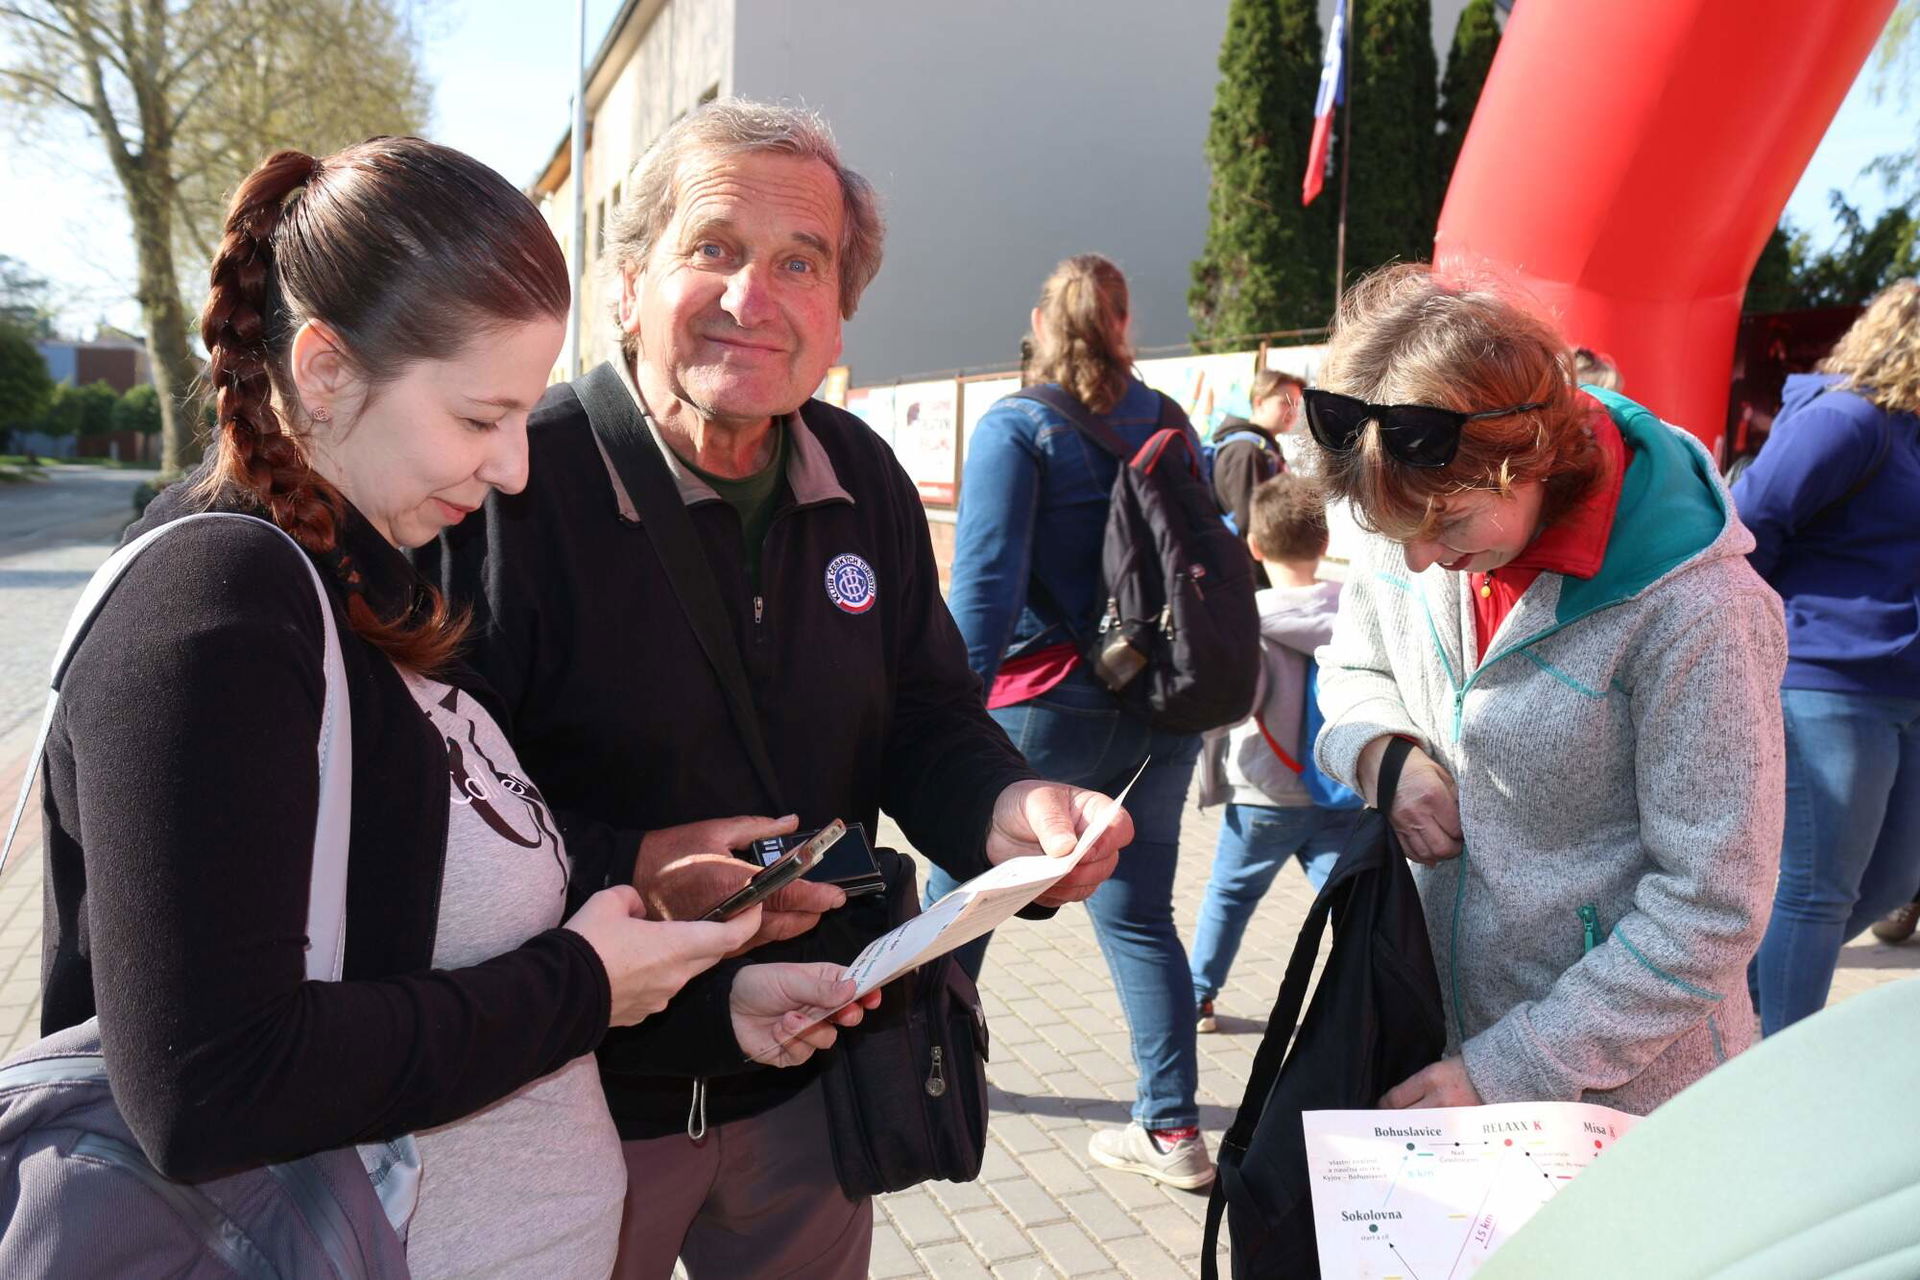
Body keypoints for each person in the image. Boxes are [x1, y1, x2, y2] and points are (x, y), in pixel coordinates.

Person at [35, 138, 866, 1280]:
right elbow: (210, 1083)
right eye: (482, 419)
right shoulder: (214, 609)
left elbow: (433, 952)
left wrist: (702, 999)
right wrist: (583, 987)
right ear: (325, 371)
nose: (516, 467)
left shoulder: (362, 574)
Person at [424, 102, 1134, 1279]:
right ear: (629, 283)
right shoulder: (509, 485)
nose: (753, 297)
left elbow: (925, 718)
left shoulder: (863, 476)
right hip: (566, 1098)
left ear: (840, 310)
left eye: (801, 262)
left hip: (809, 1077)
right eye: (714, 247)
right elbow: (438, 820)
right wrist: (635, 865)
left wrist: (1010, 810)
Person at [1308, 263, 1785, 1116]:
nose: (1417, 558)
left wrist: (1509, 1070)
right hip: (1432, 1028)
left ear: (1528, 460)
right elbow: (1353, 667)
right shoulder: (1410, 479)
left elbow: (1711, 907)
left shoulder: (1698, 609)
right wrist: (1384, 757)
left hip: (1627, 1098)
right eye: (1390, 530)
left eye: (1447, 523)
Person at [944, 252, 1214, 1190]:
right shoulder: (1170, 419)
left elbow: (984, 585)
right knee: (1140, 920)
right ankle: (1172, 1130)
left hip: (1048, 704)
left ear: (1039, 324)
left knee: (959, 905)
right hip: (1163, 707)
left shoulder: (1019, 426)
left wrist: (947, 721)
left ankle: (915, 1081)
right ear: (1124, 323)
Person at [1731, 279, 1920, 1033]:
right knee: (1816, 890)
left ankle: (1725, 1007)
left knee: (1894, 878)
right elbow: (1751, 524)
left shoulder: (1907, 432)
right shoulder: (1846, 418)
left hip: (1903, 690)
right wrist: (1762, 642)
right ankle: (1778, 1071)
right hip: (1827, 682)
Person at [1191, 474, 1360, 1033]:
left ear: (1255, 547)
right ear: (1325, 542)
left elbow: (1236, 706)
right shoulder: (1354, 612)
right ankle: (1370, 993)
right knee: (1348, 900)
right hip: (1339, 790)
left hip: (1263, 792)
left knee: (1230, 896)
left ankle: (1198, 997)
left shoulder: (1249, 620)